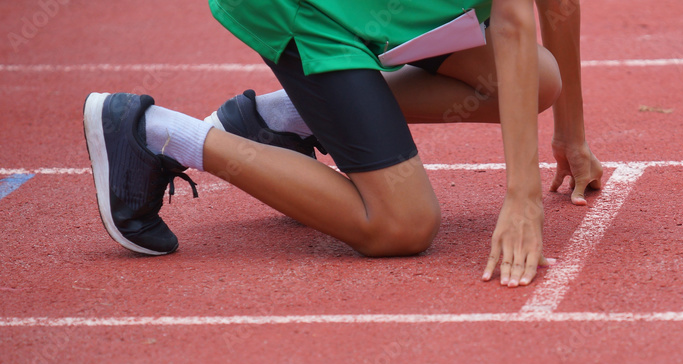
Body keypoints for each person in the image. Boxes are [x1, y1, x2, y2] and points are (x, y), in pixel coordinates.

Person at [82, 0, 602, 288]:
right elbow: (511, 24)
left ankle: (280, 119)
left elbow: (554, 5)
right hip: (312, 10)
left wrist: (571, 138)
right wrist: (521, 198)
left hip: (389, 11)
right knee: (401, 225)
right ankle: (153, 132)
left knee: (536, 79)